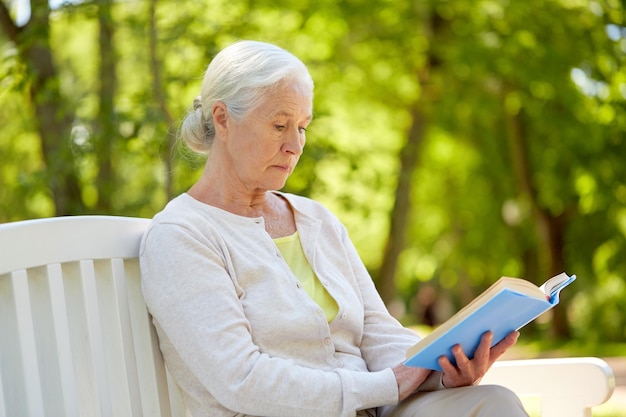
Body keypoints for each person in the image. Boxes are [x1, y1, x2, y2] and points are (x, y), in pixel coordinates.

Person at [139, 40, 528, 417]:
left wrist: (441, 368)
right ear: (223, 119)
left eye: (303, 127)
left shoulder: (317, 220)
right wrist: (390, 385)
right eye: (279, 125)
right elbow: (241, 380)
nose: (295, 145)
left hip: (373, 409)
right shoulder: (181, 235)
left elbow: (378, 335)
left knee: (495, 404)